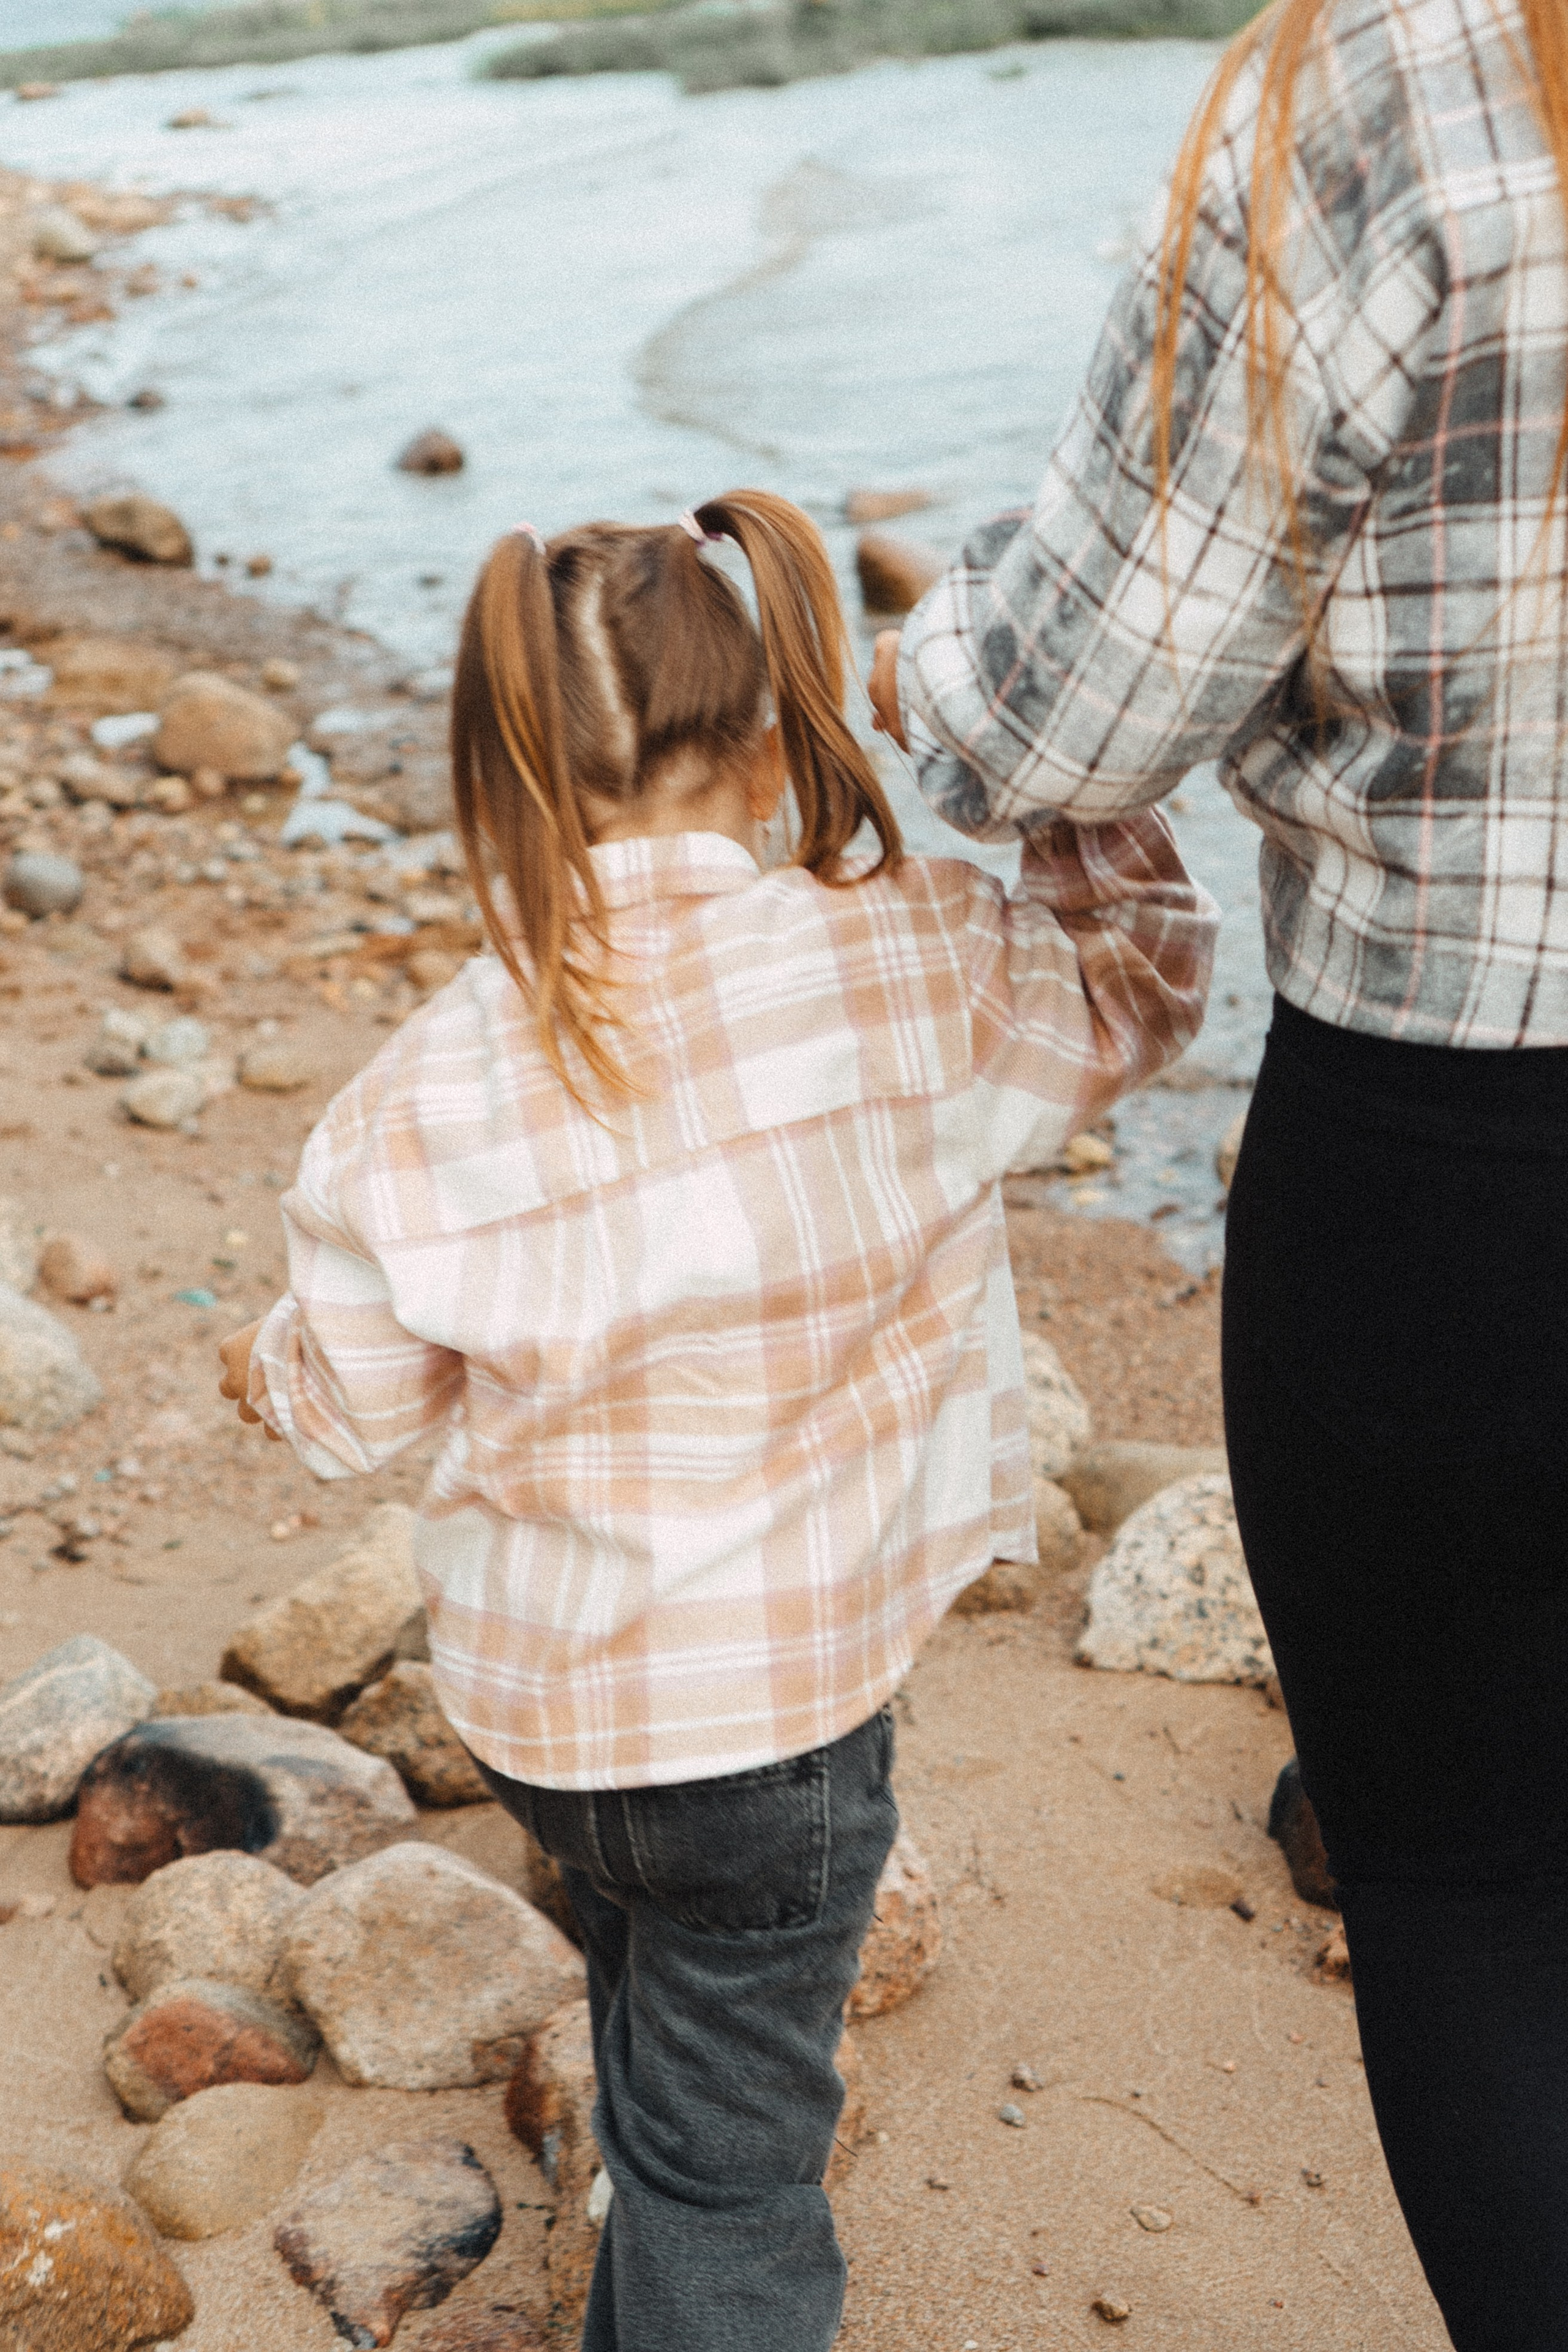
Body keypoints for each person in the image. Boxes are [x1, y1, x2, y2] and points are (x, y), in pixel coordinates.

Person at [217, 489, 1213, 2351]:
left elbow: (349, 1413)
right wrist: (1041, 754)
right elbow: (1149, 982)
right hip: (775, 1737)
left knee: (656, 2001)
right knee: (735, 2167)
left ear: (511, 776)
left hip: (546, 1718)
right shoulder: (916, 961)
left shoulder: (424, 1081)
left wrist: (256, 1360)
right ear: (776, 738)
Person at [869, 1, 1568, 2345]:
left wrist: (903, 669)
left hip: (1478, 1155)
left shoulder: (1417, 70)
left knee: (1473, 1881)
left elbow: (1079, 698)